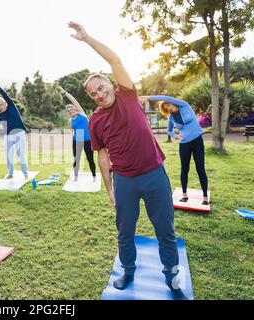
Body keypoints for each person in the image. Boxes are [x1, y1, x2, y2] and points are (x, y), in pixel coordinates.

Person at [67, 22, 187, 299]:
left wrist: (87, 39)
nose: (99, 93)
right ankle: (129, 270)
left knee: (165, 229)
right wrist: (110, 189)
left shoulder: (128, 95)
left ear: (111, 83)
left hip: (154, 174)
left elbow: (114, 59)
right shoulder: (95, 120)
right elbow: (102, 154)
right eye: (93, 93)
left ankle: (171, 274)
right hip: (124, 181)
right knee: (125, 231)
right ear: (91, 97)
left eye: (101, 86)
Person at [142, 95, 209, 205]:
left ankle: (205, 197)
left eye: (168, 105)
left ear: (172, 102)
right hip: (184, 144)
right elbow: (169, 130)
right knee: (184, 169)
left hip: (197, 141)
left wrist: (149, 97)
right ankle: (184, 195)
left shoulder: (184, 106)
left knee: (200, 169)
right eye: (166, 108)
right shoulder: (171, 117)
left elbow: (166, 98)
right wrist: (175, 136)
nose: (168, 108)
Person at [0, 78, 29, 180]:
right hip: (8, 137)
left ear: (4, 103)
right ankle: (10, 173)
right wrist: (1, 129)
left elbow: (5, 95)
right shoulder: (0, 116)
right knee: (8, 156)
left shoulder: (12, 106)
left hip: (19, 133)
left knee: (20, 154)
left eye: (0, 105)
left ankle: (25, 173)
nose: (0, 107)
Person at [59, 86, 96, 181]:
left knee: (90, 159)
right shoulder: (70, 120)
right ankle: (75, 177)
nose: (71, 111)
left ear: (75, 109)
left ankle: (94, 177)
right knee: (77, 159)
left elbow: (75, 101)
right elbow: (70, 129)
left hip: (88, 140)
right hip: (77, 140)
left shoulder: (81, 114)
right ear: (68, 113)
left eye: (72, 109)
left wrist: (64, 93)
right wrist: (73, 135)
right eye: (69, 111)